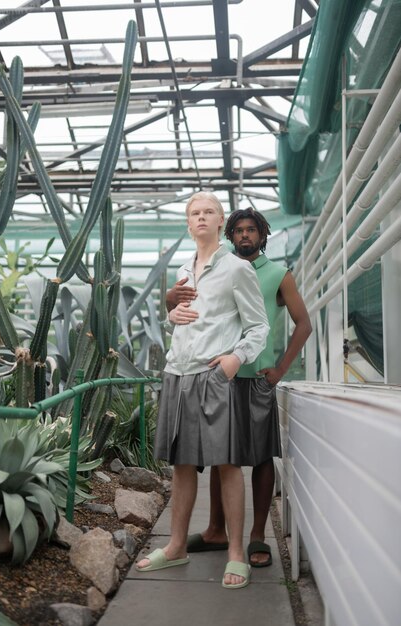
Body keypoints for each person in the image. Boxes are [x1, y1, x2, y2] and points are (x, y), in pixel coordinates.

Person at [136, 193, 270, 589]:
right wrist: (172, 315)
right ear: (188, 223)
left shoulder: (236, 269)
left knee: (227, 464)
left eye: (208, 211)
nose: (201, 217)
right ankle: (176, 546)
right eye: (194, 213)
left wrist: (236, 358)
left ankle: (235, 554)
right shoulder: (183, 268)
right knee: (181, 464)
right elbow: (187, 319)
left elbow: (259, 325)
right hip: (177, 372)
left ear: (219, 220)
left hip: (214, 374)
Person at [166, 207, 312, 567]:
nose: (245, 235)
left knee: (261, 455)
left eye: (252, 230)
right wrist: (170, 302)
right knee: (222, 455)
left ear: (263, 235)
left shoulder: (279, 274)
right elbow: (182, 307)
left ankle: (257, 536)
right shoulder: (216, 268)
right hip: (215, 374)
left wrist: (280, 368)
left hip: (255, 376)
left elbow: (304, 323)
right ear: (229, 235)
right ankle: (217, 529)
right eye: (239, 231)